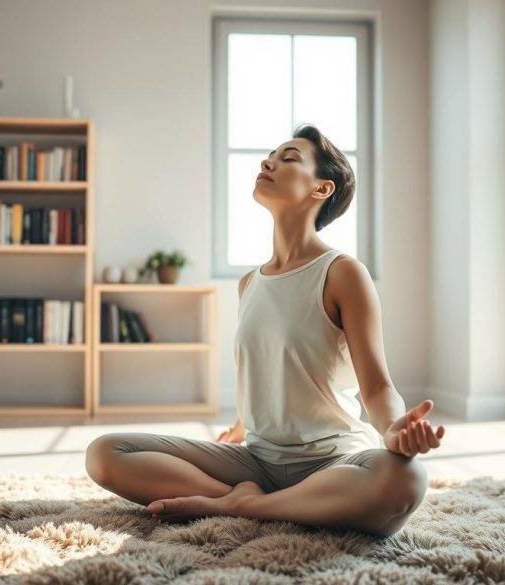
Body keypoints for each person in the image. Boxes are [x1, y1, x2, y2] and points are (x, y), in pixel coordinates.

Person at [85, 123, 446, 537]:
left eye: (288, 158)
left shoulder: (343, 272)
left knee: (403, 480)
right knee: (106, 453)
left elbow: (377, 386)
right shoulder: (250, 284)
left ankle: (244, 506)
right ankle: (273, 504)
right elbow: (264, 367)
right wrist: (240, 428)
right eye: (270, 156)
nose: (268, 162)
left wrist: (394, 428)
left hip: (333, 460)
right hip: (258, 460)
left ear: (321, 189)